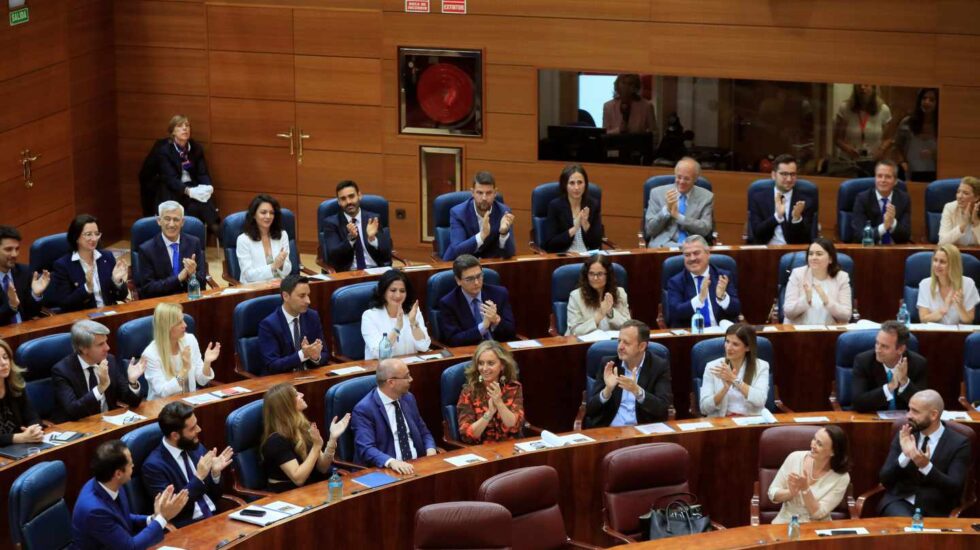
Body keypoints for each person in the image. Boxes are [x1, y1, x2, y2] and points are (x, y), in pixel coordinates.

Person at [71, 440, 188, 550]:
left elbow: (123, 517)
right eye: (130, 464)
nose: (133, 466)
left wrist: (152, 519)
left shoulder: (108, 483)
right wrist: (162, 518)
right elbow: (131, 547)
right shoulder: (94, 511)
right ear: (118, 474)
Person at [878, 389, 971, 517]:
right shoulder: (905, 434)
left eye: (915, 411)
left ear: (933, 415)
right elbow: (884, 478)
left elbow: (955, 487)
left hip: (934, 509)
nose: (908, 416)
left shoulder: (959, 443)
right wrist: (905, 456)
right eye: (909, 409)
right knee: (906, 526)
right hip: (900, 502)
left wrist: (926, 467)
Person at [142, 402, 234, 527]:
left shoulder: (195, 447)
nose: (199, 430)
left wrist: (215, 474)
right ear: (175, 435)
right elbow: (171, 511)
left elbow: (215, 496)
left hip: (215, 517)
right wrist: (198, 478)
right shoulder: (153, 466)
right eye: (192, 428)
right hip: (187, 527)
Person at [352, 358, 436, 474]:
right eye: (407, 376)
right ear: (391, 382)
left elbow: (424, 432)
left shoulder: (408, 398)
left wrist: (431, 450)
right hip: (387, 470)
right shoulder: (364, 409)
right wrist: (392, 462)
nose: (411, 379)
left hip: (418, 465)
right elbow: (366, 448)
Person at [140, 114, 219, 238]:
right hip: (171, 189)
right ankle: (212, 230)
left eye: (187, 126)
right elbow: (169, 178)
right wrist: (188, 191)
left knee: (203, 202)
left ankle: (215, 229)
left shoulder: (195, 148)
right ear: (173, 132)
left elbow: (202, 173)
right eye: (180, 126)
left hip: (191, 187)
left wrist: (208, 187)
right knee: (193, 207)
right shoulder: (164, 150)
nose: (185, 129)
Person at [260, 383, 349, 493]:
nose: (302, 394)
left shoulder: (304, 427)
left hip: (308, 489)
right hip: (287, 495)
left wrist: (332, 438)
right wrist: (316, 446)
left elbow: (323, 468)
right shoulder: (276, 441)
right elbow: (298, 479)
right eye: (296, 395)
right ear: (286, 405)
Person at [51, 320, 145, 423]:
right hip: (79, 427)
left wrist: (132, 382)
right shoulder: (62, 371)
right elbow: (74, 411)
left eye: (106, 342)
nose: (107, 348)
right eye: (100, 344)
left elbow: (133, 402)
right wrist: (100, 388)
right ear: (83, 349)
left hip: (108, 423)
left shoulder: (110, 361)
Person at [583, 320, 672, 428]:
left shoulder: (659, 366)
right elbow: (590, 410)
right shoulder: (609, 365)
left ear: (642, 346)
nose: (620, 347)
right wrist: (607, 390)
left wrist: (638, 392)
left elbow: (662, 409)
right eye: (619, 341)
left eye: (626, 343)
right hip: (611, 431)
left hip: (641, 432)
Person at [768, 425, 851, 524]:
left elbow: (818, 514)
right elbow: (772, 493)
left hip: (817, 527)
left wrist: (805, 489)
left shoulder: (841, 477)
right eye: (814, 439)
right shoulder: (794, 457)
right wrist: (790, 493)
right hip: (786, 522)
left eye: (819, 444)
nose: (813, 445)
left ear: (833, 452)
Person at [46, 214, 128, 312]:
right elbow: (65, 304)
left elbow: (121, 296)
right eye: (88, 234)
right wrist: (87, 288)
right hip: (84, 319)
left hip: (109, 314)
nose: (94, 239)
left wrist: (117, 281)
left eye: (96, 234)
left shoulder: (107, 257)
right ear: (76, 237)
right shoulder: (63, 265)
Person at [142, 303, 219, 400]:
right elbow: (163, 392)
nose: (185, 325)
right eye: (179, 322)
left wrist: (207, 362)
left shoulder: (190, 340)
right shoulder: (150, 354)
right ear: (167, 327)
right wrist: (184, 370)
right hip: (163, 407)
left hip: (190, 402)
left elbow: (202, 380)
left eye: (183, 320)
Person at [437, 254, 516, 346]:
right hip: (470, 353)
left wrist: (496, 320)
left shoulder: (499, 294)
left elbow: (511, 332)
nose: (476, 282)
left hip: (499, 350)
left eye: (479, 276)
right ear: (458, 280)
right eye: (469, 279)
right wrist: (483, 326)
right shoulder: (448, 303)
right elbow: (454, 340)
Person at [258, 274, 329, 375]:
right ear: (286, 296)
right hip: (283, 384)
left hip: (309, 378)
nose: (308, 301)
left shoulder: (312, 316)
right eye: (302, 296)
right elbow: (272, 365)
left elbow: (325, 354)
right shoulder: (269, 325)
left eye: (308, 295)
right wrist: (303, 355)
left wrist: (315, 357)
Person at [665, 235, 741, 328]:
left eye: (696, 253)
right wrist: (699, 299)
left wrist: (723, 297)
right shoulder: (676, 282)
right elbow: (675, 313)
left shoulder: (722, 276)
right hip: (692, 336)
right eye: (687, 255)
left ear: (708, 253)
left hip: (721, 335)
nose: (692, 258)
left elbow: (736, 310)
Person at [851, 321, 928, 413]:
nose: (878, 350)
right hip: (872, 421)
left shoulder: (918, 363)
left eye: (884, 346)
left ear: (900, 349)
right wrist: (890, 386)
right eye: (877, 343)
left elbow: (923, 406)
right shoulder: (864, 361)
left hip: (906, 422)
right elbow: (858, 403)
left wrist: (904, 382)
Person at [457, 341, 525, 444]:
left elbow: (514, 426)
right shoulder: (469, 392)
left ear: (502, 365)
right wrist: (489, 413)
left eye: (490, 363)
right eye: (480, 363)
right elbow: (468, 434)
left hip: (510, 448)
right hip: (483, 452)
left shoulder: (513, 388)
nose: (484, 368)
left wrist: (499, 403)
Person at [137, 201, 207, 299]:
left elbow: (203, 284)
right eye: (167, 219)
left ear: (182, 222)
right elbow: (147, 289)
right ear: (159, 220)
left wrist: (193, 275)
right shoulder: (146, 250)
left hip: (189, 300)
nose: (171, 224)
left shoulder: (194, 243)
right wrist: (178, 279)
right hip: (161, 304)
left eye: (176, 220)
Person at [698, 323, 770, 417]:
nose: (728, 348)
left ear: (747, 347)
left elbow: (760, 401)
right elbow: (704, 408)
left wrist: (735, 380)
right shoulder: (712, 367)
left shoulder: (761, 366)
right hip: (722, 424)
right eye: (727, 341)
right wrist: (724, 390)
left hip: (750, 423)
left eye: (735, 344)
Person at [322, 180, 393, 272]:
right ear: (339, 202)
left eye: (351, 196)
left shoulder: (373, 219)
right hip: (348, 274)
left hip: (375, 271)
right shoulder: (331, 223)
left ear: (359, 196)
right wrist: (350, 240)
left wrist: (372, 239)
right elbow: (333, 256)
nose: (348, 202)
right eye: (343, 199)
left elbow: (386, 254)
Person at [443, 171, 516, 261]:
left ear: (495, 193)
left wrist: (503, 233)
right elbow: (457, 250)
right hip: (458, 265)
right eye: (480, 193)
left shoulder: (503, 212)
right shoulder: (458, 213)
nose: (484, 198)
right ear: (472, 192)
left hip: (489, 264)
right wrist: (482, 235)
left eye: (489, 193)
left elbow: (510, 253)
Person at [747, 154, 817, 244]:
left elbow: (806, 240)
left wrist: (797, 219)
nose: (789, 179)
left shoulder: (806, 200)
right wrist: (777, 217)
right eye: (784, 174)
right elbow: (757, 234)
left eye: (793, 174)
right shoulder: (758, 198)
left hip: (794, 252)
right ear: (773, 175)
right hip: (767, 250)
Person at [644, 157, 714, 247]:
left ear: (695, 179)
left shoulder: (706, 197)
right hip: (663, 245)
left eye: (686, 179)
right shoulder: (657, 193)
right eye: (679, 177)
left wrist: (679, 217)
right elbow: (650, 230)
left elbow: (705, 229)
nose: (681, 182)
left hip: (693, 246)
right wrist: (666, 210)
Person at [361, 270, 431, 359]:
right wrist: (397, 329)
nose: (398, 295)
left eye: (402, 291)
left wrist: (413, 323)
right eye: (393, 290)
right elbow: (379, 353)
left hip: (411, 367)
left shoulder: (412, 311)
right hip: (384, 369)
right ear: (383, 291)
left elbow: (424, 346)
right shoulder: (369, 316)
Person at [782, 238, 852, 325]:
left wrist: (826, 300)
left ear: (830, 259)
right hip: (799, 333)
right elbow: (788, 313)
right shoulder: (798, 274)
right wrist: (806, 300)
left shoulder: (841, 277)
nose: (814, 257)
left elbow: (846, 316)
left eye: (819, 254)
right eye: (811, 254)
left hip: (830, 332)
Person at [834, 84, 893, 177]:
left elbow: (889, 138)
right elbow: (837, 139)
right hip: (850, 163)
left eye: (866, 85)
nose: (862, 88)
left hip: (873, 162)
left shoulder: (883, 110)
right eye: (859, 85)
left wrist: (881, 150)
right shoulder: (845, 108)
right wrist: (848, 149)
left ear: (873, 87)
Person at [543, 164, 603, 253]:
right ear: (565, 185)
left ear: (585, 184)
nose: (576, 187)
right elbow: (550, 244)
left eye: (580, 182)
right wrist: (575, 228)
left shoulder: (593, 205)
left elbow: (597, 244)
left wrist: (585, 225)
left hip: (587, 257)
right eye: (572, 183)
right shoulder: (555, 206)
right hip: (565, 257)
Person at [566, 254, 631, 336]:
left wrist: (610, 312)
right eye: (591, 274)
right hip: (583, 344)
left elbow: (628, 327)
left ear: (608, 275)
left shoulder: (620, 293)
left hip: (613, 344)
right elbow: (574, 331)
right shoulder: (576, 296)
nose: (595, 278)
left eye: (600, 274)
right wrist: (599, 315)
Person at [850, 160, 912, 244]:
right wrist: (884, 227)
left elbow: (906, 235)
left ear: (895, 181)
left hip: (895, 249)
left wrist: (892, 223)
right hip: (869, 250)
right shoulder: (862, 199)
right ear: (875, 178)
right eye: (879, 176)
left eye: (888, 177)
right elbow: (859, 235)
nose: (883, 180)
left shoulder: (903, 199)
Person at [916, 244, 978, 325]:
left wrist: (960, 307)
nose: (937, 265)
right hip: (932, 334)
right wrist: (942, 310)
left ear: (953, 265)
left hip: (960, 334)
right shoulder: (925, 284)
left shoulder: (968, 284)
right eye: (935, 260)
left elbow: (969, 321)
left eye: (942, 262)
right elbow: (923, 319)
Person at [236, 194, 291, 283]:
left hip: (278, 285)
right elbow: (248, 275)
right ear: (254, 215)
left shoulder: (282, 235)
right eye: (263, 212)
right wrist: (273, 266)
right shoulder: (243, 240)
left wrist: (282, 264)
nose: (268, 216)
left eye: (271, 213)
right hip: (255, 288)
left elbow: (287, 270)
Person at [0, 225, 47, 325]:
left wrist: (35, 295)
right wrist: (11, 306)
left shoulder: (23, 271)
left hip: (25, 332)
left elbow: (32, 313)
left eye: (17, 249)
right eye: (8, 249)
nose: (14, 254)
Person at [0, 338, 43, 446]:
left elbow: (33, 417)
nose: (4, 363)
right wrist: (19, 438)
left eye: (5, 357)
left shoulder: (15, 386)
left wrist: (34, 430)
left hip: (20, 447)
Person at [895, 88, 938, 182]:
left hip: (935, 173)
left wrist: (934, 153)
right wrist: (902, 162)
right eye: (924, 98)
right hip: (910, 172)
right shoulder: (907, 122)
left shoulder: (941, 125)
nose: (927, 102)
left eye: (931, 100)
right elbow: (897, 146)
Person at [938, 176, 980, 247]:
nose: (959, 196)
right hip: (955, 254)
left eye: (965, 193)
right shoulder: (950, 208)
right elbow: (942, 242)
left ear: (976, 197)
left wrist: (976, 223)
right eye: (958, 192)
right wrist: (963, 225)